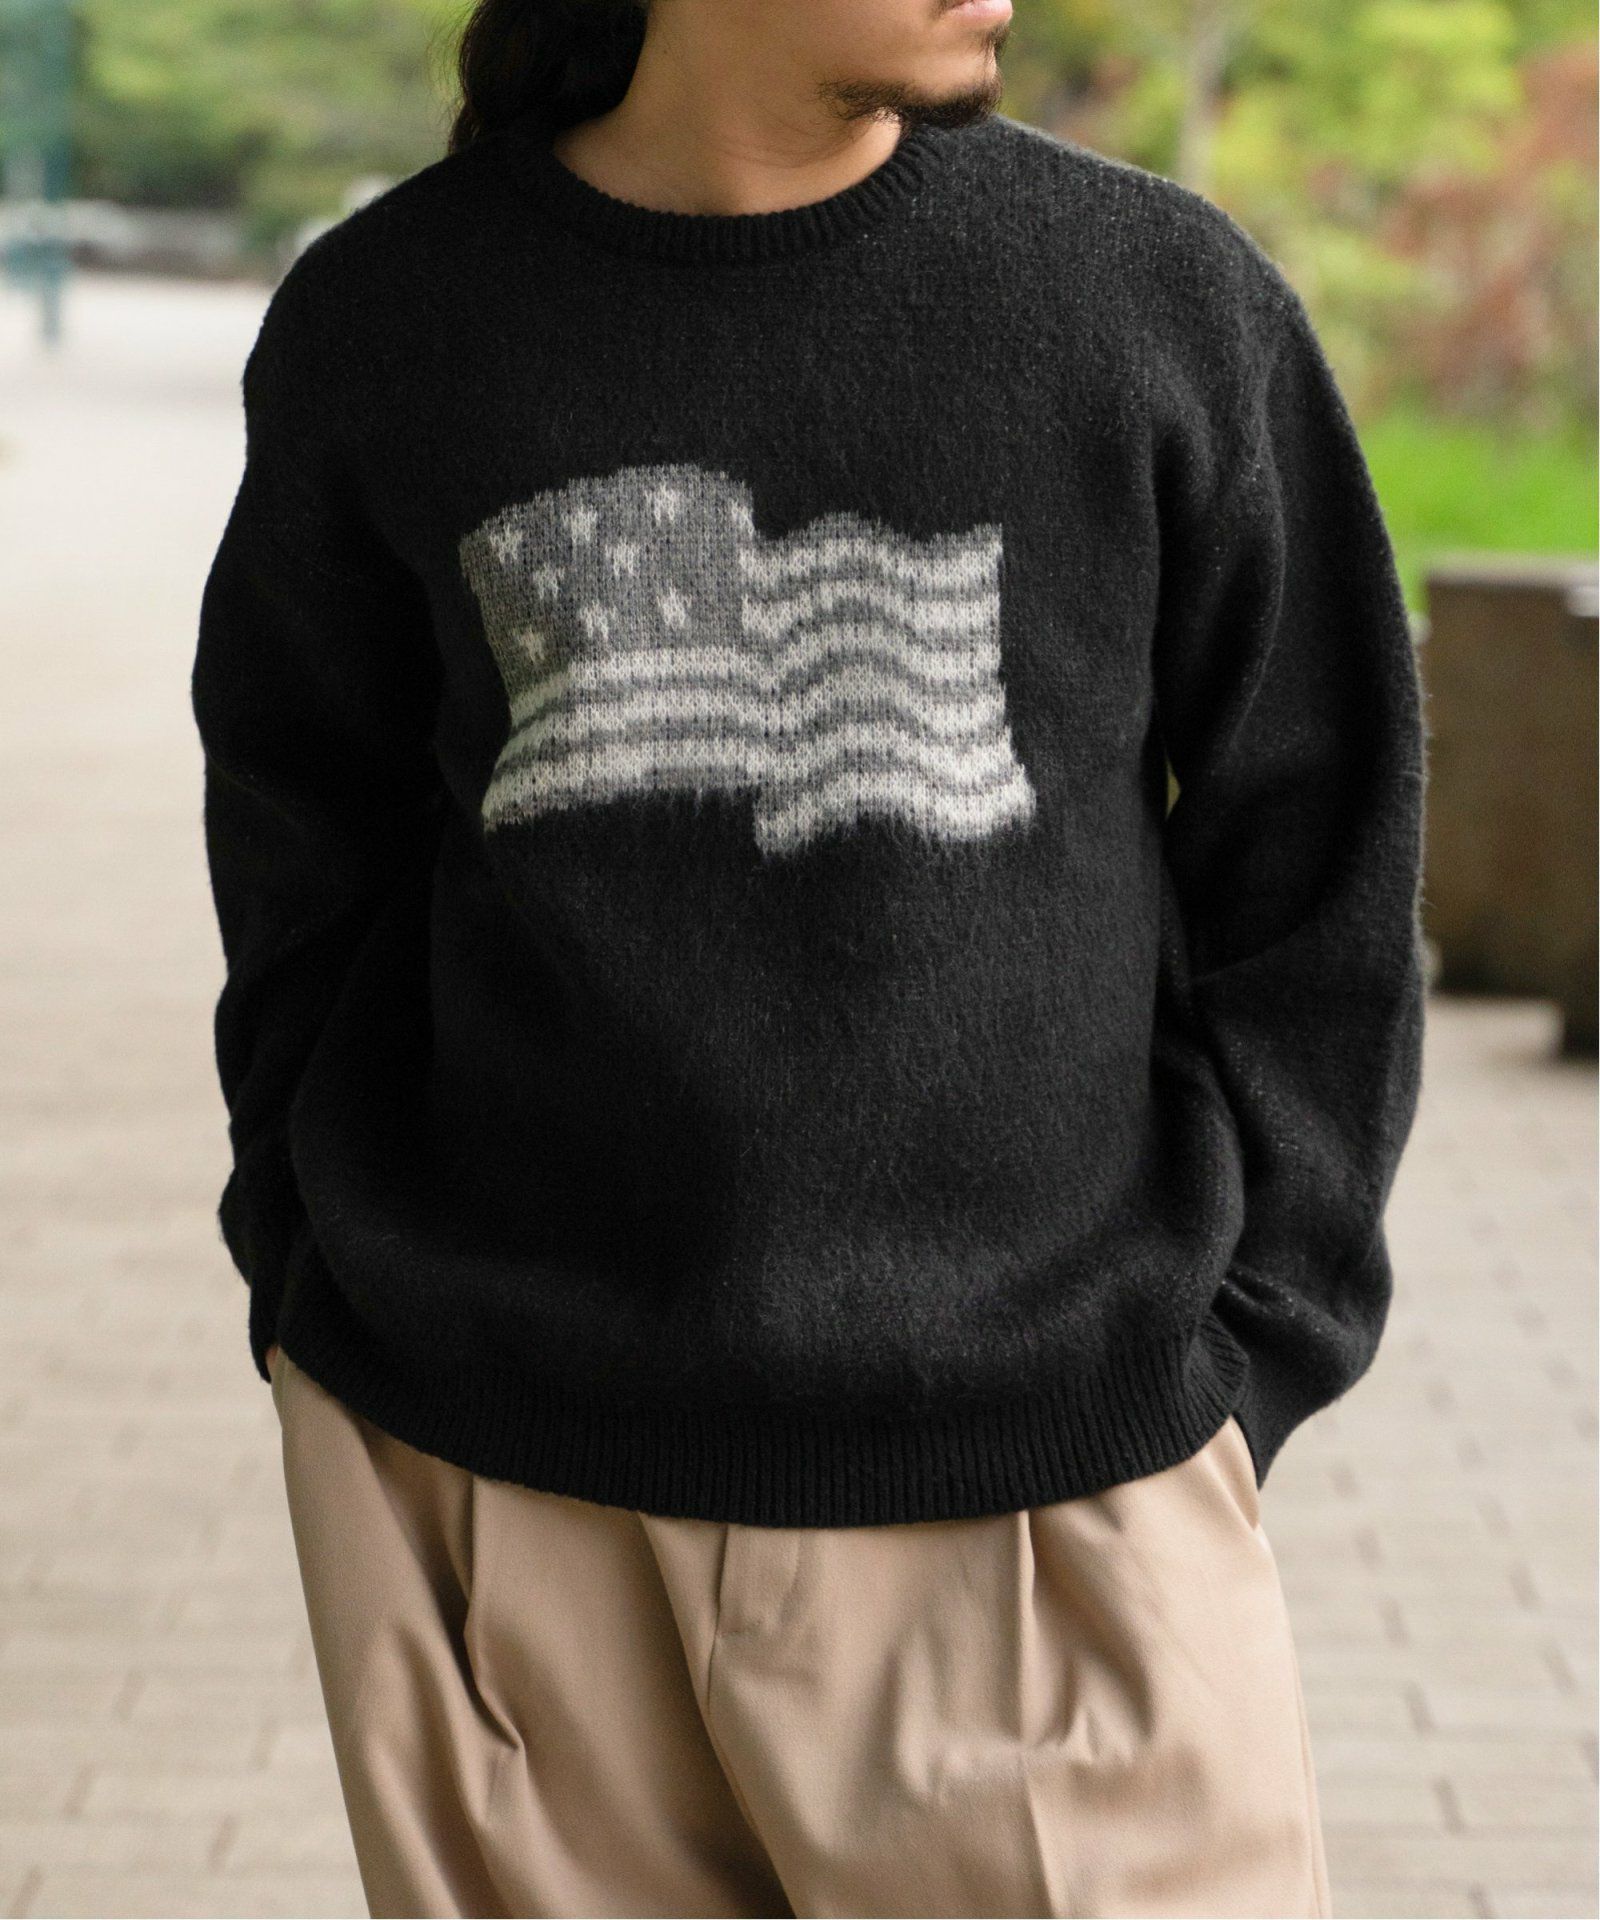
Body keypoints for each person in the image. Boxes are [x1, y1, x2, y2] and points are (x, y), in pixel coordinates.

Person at [190, 0, 1429, 1912]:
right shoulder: (391, 319)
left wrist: (1243, 1359)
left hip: (1055, 1511)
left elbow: (1321, 836)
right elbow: (304, 841)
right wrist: (315, 1282)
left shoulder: (1152, 300)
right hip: (496, 1507)